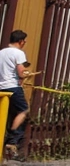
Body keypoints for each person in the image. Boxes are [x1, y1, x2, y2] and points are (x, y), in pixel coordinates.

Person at [2, 30, 30, 159]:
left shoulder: (1, 52)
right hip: (13, 86)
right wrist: (26, 74)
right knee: (23, 110)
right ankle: (12, 139)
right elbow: (20, 72)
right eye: (24, 41)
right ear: (20, 41)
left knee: (7, 113)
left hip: (1, 87)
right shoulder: (18, 53)